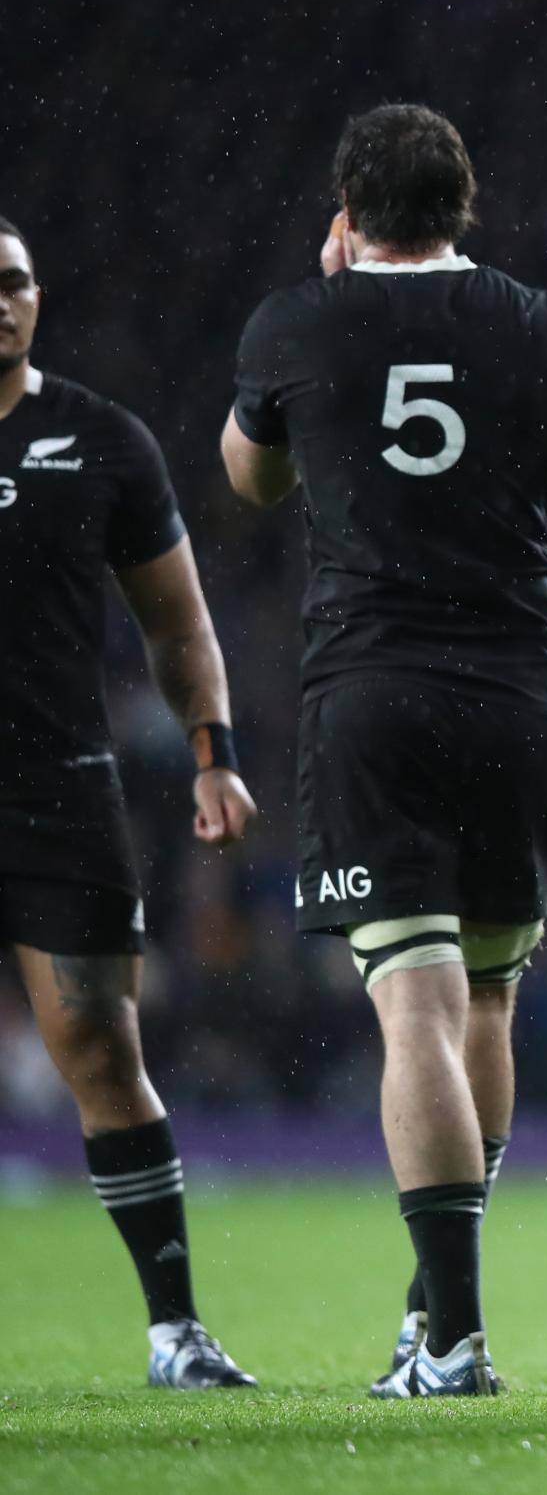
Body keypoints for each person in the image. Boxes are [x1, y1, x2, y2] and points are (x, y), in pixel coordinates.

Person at [222, 105, 547, 1398]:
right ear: (467, 206)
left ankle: (451, 1333)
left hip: (373, 693)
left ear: (349, 210)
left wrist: (322, 330)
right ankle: (430, 1312)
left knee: (415, 1002)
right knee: (489, 998)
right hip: (517, 693)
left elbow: (250, 477)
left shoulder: (296, 320)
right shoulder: (545, 324)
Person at [0, 216, 260, 1389]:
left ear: (39, 299)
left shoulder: (99, 438)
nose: (0, 301)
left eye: (14, 282)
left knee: (102, 1046)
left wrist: (211, 752)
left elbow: (178, 620)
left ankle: (175, 1328)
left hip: (56, 790)